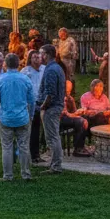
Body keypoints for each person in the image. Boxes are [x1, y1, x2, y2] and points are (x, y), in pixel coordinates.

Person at [0, 53, 35, 181]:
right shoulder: (25, 79)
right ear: (18, 64)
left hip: (6, 117)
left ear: (5, 64)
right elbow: (32, 100)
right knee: (24, 146)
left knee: (7, 147)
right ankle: (26, 173)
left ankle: (8, 175)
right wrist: (31, 115)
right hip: (22, 117)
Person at [37, 44, 67, 174]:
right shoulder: (57, 68)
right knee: (54, 136)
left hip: (52, 108)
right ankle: (55, 164)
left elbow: (50, 93)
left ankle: (56, 166)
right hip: (56, 106)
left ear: (47, 55)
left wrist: (43, 107)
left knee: (52, 137)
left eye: (41, 53)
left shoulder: (50, 70)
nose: (39, 56)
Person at [60, 79, 92, 156]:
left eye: (69, 91)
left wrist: (80, 112)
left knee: (85, 118)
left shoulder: (70, 98)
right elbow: (66, 114)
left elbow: (74, 112)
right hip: (60, 119)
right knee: (80, 121)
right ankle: (78, 149)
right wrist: (76, 114)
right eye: (67, 91)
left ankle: (81, 145)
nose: (68, 93)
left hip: (68, 118)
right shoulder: (61, 98)